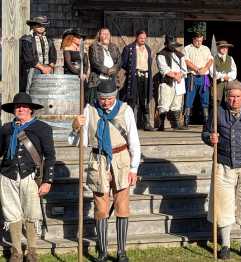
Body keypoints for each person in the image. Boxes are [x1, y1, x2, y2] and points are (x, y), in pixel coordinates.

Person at [69, 80, 140, 262]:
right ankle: (102, 251)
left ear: (115, 96)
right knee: (100, 208)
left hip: (121, 160)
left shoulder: (126, 110)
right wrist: (76, 126)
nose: (106, 102)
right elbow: (80, 143)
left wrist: (134, 168)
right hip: (98, 161)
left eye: (109, 99)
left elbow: (134, 141)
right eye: (102, 99)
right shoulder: (89, 110)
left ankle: (121, 252)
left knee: (122, 206)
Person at [202, 80, 241, 260]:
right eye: (231, 97)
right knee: (223, 206)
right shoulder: (217, 112)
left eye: (238, 97)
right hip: (223, 165)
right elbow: (205, 133)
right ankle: (225, 245)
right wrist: (210, 138)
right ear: (226, 96)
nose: (234, 100)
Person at [0, 93, 55, 262]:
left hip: (30, 177)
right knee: (12, 214)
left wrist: (47, 181)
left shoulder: (42, 128)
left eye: (24, 106)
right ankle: (16, 252)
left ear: (30, 109)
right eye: (18, 107)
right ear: (14, 110)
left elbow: (50, 156)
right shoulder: (6, 129)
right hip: (7, 176)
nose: (21, 109)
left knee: (31, 213)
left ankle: (32, 251)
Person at [120, 30, 155, 131]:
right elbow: (123, 63)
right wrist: (131, 71)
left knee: (145, 100)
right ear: (136, 37)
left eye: (144, 38)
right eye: (141, 38)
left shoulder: (147, 48)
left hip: (146, 76)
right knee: (132, 100)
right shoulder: (129, 48)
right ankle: (131, 124)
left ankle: (146, 123)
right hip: (134, 76)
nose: (143, 40)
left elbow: (149, 63)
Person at [184, 22, 213, 128]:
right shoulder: (187, 48)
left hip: (204, 77)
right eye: (197, 41)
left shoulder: (206, 48)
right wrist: (196, 68)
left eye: (201, 41)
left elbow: (210, 60)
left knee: (205, 98)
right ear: (193, 39)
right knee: (189, 98)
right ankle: (186, 120)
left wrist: (205, 68)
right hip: (192, 77)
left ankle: (206, 121)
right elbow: (186, 61)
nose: (199, 43)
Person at [157, 34, 188, 130]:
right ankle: (161, 125)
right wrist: (175, 76)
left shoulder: (180, 55)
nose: (173, 46)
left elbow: (184, 69)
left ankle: (175, 124)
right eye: (171, 44)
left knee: (177, 103)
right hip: (167, 82)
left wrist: (180, 76)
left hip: (178, 82)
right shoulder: (161, 55)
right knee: (164, 103)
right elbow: (164, 69)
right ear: (167, 44)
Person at [20, 16, 57, 93]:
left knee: (47, 91)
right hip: (32, 70)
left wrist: (50, 67)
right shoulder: (27, 40)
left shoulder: (49, 40)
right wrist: (42, 68)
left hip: (48, 70)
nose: (41, 27)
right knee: (31, 90)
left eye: (43, 25)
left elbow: (53, 56)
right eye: (38, 25)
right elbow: (29, 58)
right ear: (33, 26)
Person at [88, 27, 122, 105]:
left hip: (112, 79)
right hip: (98, 80)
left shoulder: (114, 47)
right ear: (99, 36)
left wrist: (113, 70)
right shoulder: (94, 47)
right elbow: (94, 62)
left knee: (112, 103)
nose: (106, 36)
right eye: (103, 34)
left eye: (108, 34)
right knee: (97, 104)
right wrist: (107, 70)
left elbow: (119, 61)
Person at [214, 40, 237, 105]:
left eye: (226, 48)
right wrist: (223, 76)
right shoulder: (213, 58)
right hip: (217, 85)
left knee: (228, 102)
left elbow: (234, 71)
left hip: (228, 85)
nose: (225, 49)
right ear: (218, 48)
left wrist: (228, 77)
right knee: (216, 103)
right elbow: (212, 72)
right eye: (222, 47)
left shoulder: (230, 58)